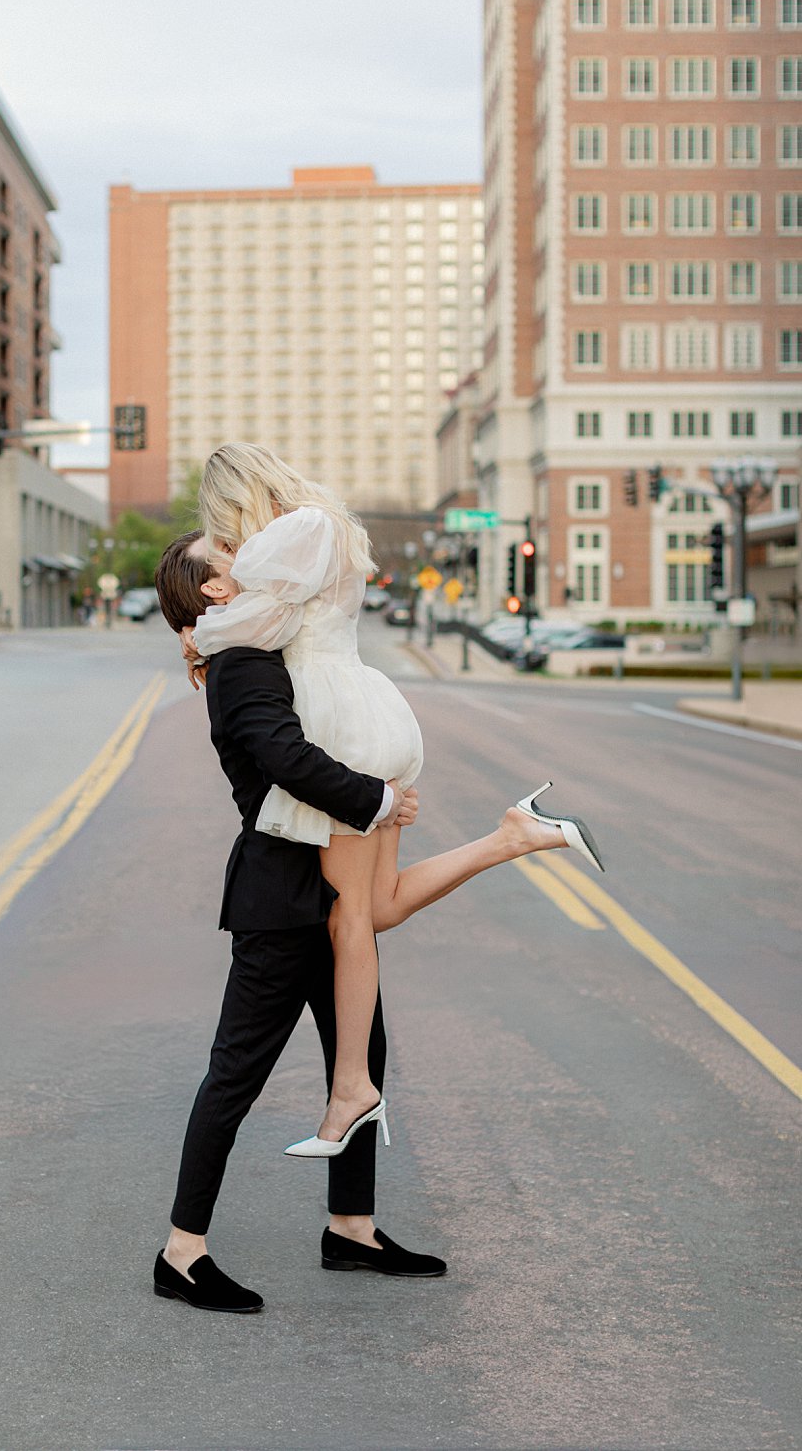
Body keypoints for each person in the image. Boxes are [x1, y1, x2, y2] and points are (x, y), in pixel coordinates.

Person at [151, 532, 592, 1313]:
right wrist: (379, 798)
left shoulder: (262, 642)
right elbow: (287, 756)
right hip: (282, 898)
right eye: (226, 552)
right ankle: (182, 1254)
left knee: (362, 1055)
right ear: (215, 592)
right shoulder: (240, 663)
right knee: (237, 1073)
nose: (246, 553)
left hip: (331, 878)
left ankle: (351, 1228)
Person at [184, 444, 604, 1159]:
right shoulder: (331, 527)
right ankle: (516, 834)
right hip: (366, 712)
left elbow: (254, 594)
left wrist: (209, 626)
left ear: (241, 498)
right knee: (374, 905)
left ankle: (352, 1088)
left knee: (351, 917)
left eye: (225, 525)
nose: (229, 544)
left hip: (338, 725)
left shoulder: (297, 532)